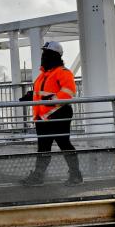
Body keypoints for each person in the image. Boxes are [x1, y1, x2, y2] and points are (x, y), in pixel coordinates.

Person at [20, 40, 83, 185]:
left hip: (59, 113)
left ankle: (76, 176)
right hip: (42, 117)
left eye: (46, 53)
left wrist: (51, 100)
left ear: (55, 55)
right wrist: (31, 95)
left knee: (64, 144)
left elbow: (68, 92)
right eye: (43, 53)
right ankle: (38, 177)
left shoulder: (63, 73)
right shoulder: (43, 75)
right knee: (43, 148)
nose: (43, 56)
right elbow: (41, 92)